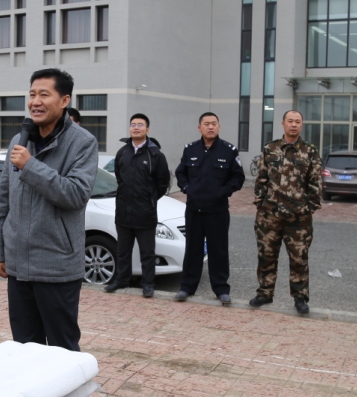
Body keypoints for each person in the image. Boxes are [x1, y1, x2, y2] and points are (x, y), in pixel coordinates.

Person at [0, 68, 98, 397]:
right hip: (19, 265)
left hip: (57, 264)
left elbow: (75, 195)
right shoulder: (20, 140)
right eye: (32, 94)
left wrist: (30, 165)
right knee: (25, 348)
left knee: (64, 351)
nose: (35, 101)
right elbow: (4, 198)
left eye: (44, 94)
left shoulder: (82, 143)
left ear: (64, 101)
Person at [250, 110, 323, 315]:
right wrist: (261, 204)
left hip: (298, 218)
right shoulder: (270, 148)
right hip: (269, 215)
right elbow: (261, 179)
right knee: (266, 256)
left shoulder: (310, 151)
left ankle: (300, 298)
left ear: (301, 125)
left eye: (297, 121)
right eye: (290, 121)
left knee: (299, 259)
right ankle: (265, 293)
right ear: (283, 123)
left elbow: (315, 182)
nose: (293, 124)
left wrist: (309, 208)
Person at [174, 112, 245, 305]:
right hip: (194, 209)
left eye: (214, 123)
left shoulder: (228, 150)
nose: (210, 127)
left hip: (217, 210)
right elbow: (181, 173)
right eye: (206, 124)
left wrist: (223, 192)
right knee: (193, 249)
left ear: (219, 127)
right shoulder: (190, 149)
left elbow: (238, 178)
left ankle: (221, 289)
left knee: (218, 251)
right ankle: (187, 287)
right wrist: (187, 188)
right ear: (200, 127)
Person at [104, 114, 171, 298]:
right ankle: (121, 280)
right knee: (122, 251)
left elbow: (163, 183)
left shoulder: (155, 155)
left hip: (145, 213)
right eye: (133, 124)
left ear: (147, 129)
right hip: (124, 211)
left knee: (147, 252)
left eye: (140, 125)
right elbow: (119, 177)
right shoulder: (122, 152)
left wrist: (149, 199)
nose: (136, 127)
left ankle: (148, 284)